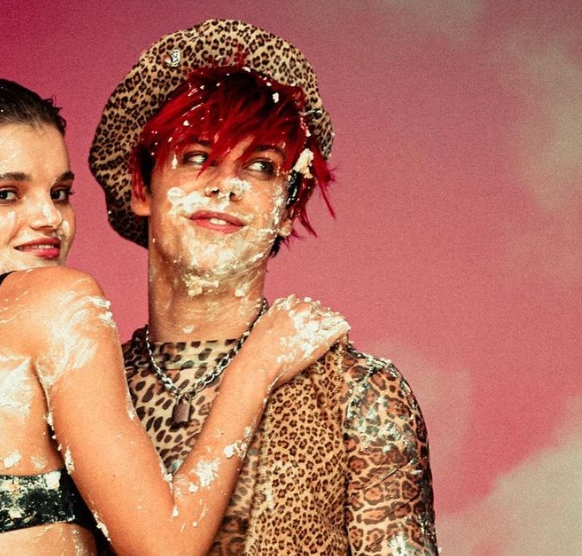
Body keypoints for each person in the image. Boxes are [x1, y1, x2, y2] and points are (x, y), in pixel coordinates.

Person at [0, 75, 349, 555]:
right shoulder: (53, 301)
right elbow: (165, 546)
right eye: (6, 195)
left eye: (59, 193)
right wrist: (254, 368)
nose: (49, 218)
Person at [89, 19, 438, 555]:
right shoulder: (88, 393)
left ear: (287, 210)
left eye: (260, 166)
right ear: (141, 187)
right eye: (197, 156)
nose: (226, 184)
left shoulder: (359, 392)